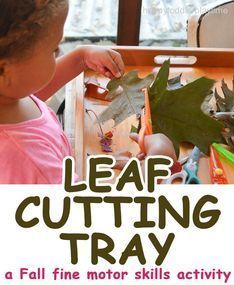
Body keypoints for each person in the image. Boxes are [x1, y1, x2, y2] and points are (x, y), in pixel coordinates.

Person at [0, 1, 177, 183]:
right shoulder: (31, 163)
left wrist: (81, 58)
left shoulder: (8, 98)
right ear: (4, 69)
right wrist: (153, 172)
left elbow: (30, 91)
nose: (59, 52)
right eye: (54, 50)